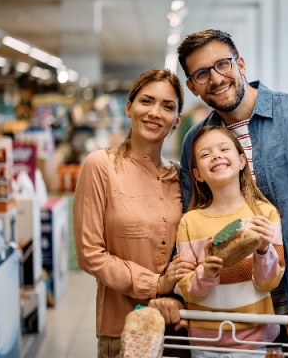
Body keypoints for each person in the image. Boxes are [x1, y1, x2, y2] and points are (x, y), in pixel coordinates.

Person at [176, 29, 288, 354]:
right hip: (228, 310)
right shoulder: (196, 141)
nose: (215, 79)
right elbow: (191, 220)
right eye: (202, 73)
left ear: (240, 63)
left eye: (222, 65)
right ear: (192, 86)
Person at [73, 68, 197, 358]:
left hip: (178, 325)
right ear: (129, 106)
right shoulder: (100, 166)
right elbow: (89, 254)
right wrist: (155, 284)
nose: (155, 112)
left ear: (177, 121)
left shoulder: (182, 176)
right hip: (124, 328)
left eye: (167, 107)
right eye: (146, 101)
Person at [175, 125, 284, 357]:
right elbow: (189, 292)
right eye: (205, 154)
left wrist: (264, 250)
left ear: (242, 160)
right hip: (205, 343)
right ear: (197, 174)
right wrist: (208, 272)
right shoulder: (189, 222)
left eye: (224, 149)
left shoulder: (264, 215)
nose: (216, 155)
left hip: (254, 343)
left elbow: (269, 283)